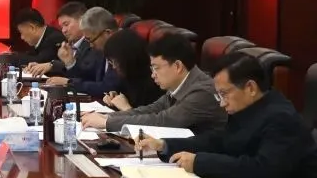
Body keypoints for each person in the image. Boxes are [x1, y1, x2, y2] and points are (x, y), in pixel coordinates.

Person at [137, 53, 317, 178]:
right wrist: (165, 145)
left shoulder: (281, 118)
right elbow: (219, 141)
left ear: (250, 88)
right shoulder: (248, 109)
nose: (222, 103)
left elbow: (262, 168)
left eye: (224, 94)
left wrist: (200, 162)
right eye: (218, 96)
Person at [82, 32, 226, 134]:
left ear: (177, 66)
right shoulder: (181, 84)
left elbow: (163, 120)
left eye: (156, 68)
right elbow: (151, 109)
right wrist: (108, 117)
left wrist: (107, 123)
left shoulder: (202, 92)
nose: (152, 74)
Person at [44, 6, 121, 96]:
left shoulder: (122, 48)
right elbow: (89, 76)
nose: (91, 45)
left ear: (107, 33)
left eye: (91, 40)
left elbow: (108, 87)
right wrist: (70, 62)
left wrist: (69, 82)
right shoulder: (102, 48)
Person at [24, 2, 102, 82]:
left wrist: (67, 80)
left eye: (66, 24)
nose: (64, 31)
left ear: (82, 21)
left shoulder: (93, 44)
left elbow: (85, 74)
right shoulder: (69, 45)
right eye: (61, 27)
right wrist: (42, 66)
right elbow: (66, 69)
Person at [97, 29, 163, 110]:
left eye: (115, 62)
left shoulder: (155, 80)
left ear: (127, 59)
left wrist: (126, 108)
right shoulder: (128, 75)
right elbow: (123, 96)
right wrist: (113, 97)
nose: (114, 67)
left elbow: (150, 116)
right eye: (111, 62)